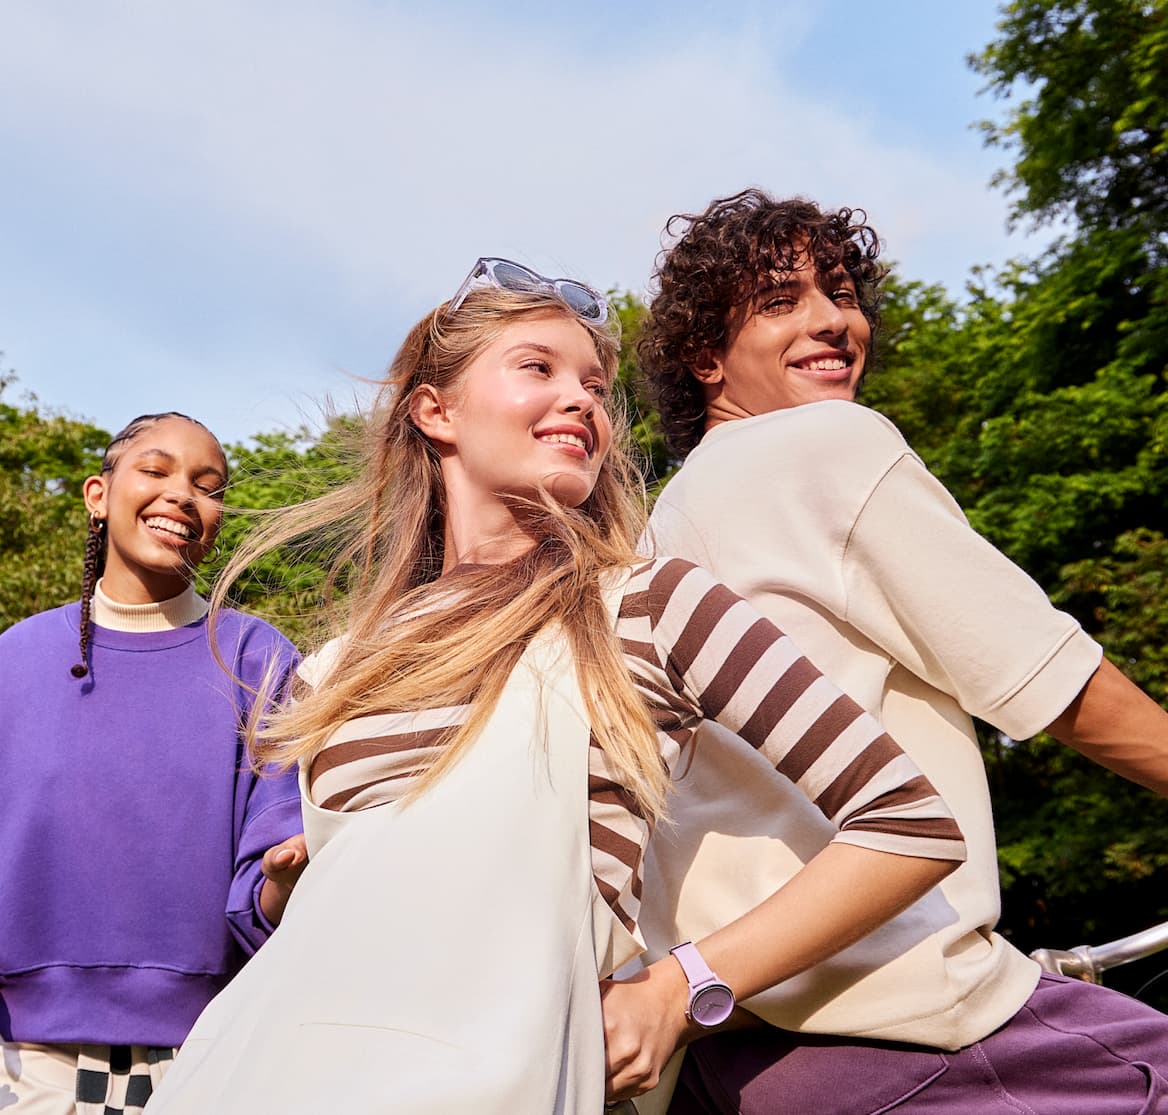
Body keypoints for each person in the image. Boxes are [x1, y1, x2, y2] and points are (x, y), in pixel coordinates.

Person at [148, 258, 969, 1114]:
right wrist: (290, 890)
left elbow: (910, 823)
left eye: (595, 387)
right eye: (538, 367)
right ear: (436, 411)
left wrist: (679, 987)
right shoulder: (333, 671)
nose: (581, 400)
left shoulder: (650, 606)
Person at [623, 187, 1168, 1113]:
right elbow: (1049, 678)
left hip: (739, 1054)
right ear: (705, 358)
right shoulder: (823, 445)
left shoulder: (661, 526)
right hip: (910, 1024)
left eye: (842, 293)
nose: (833, 320)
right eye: (781, 301)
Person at [0, 412, 307, 1114]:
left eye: (208, 486)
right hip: (30, 1048)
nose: (182, 495)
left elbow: (273, 864)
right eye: (156, 471)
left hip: (211, 1045)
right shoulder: (17, 658)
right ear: (97, 495)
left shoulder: (259, 659)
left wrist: (287, 879)